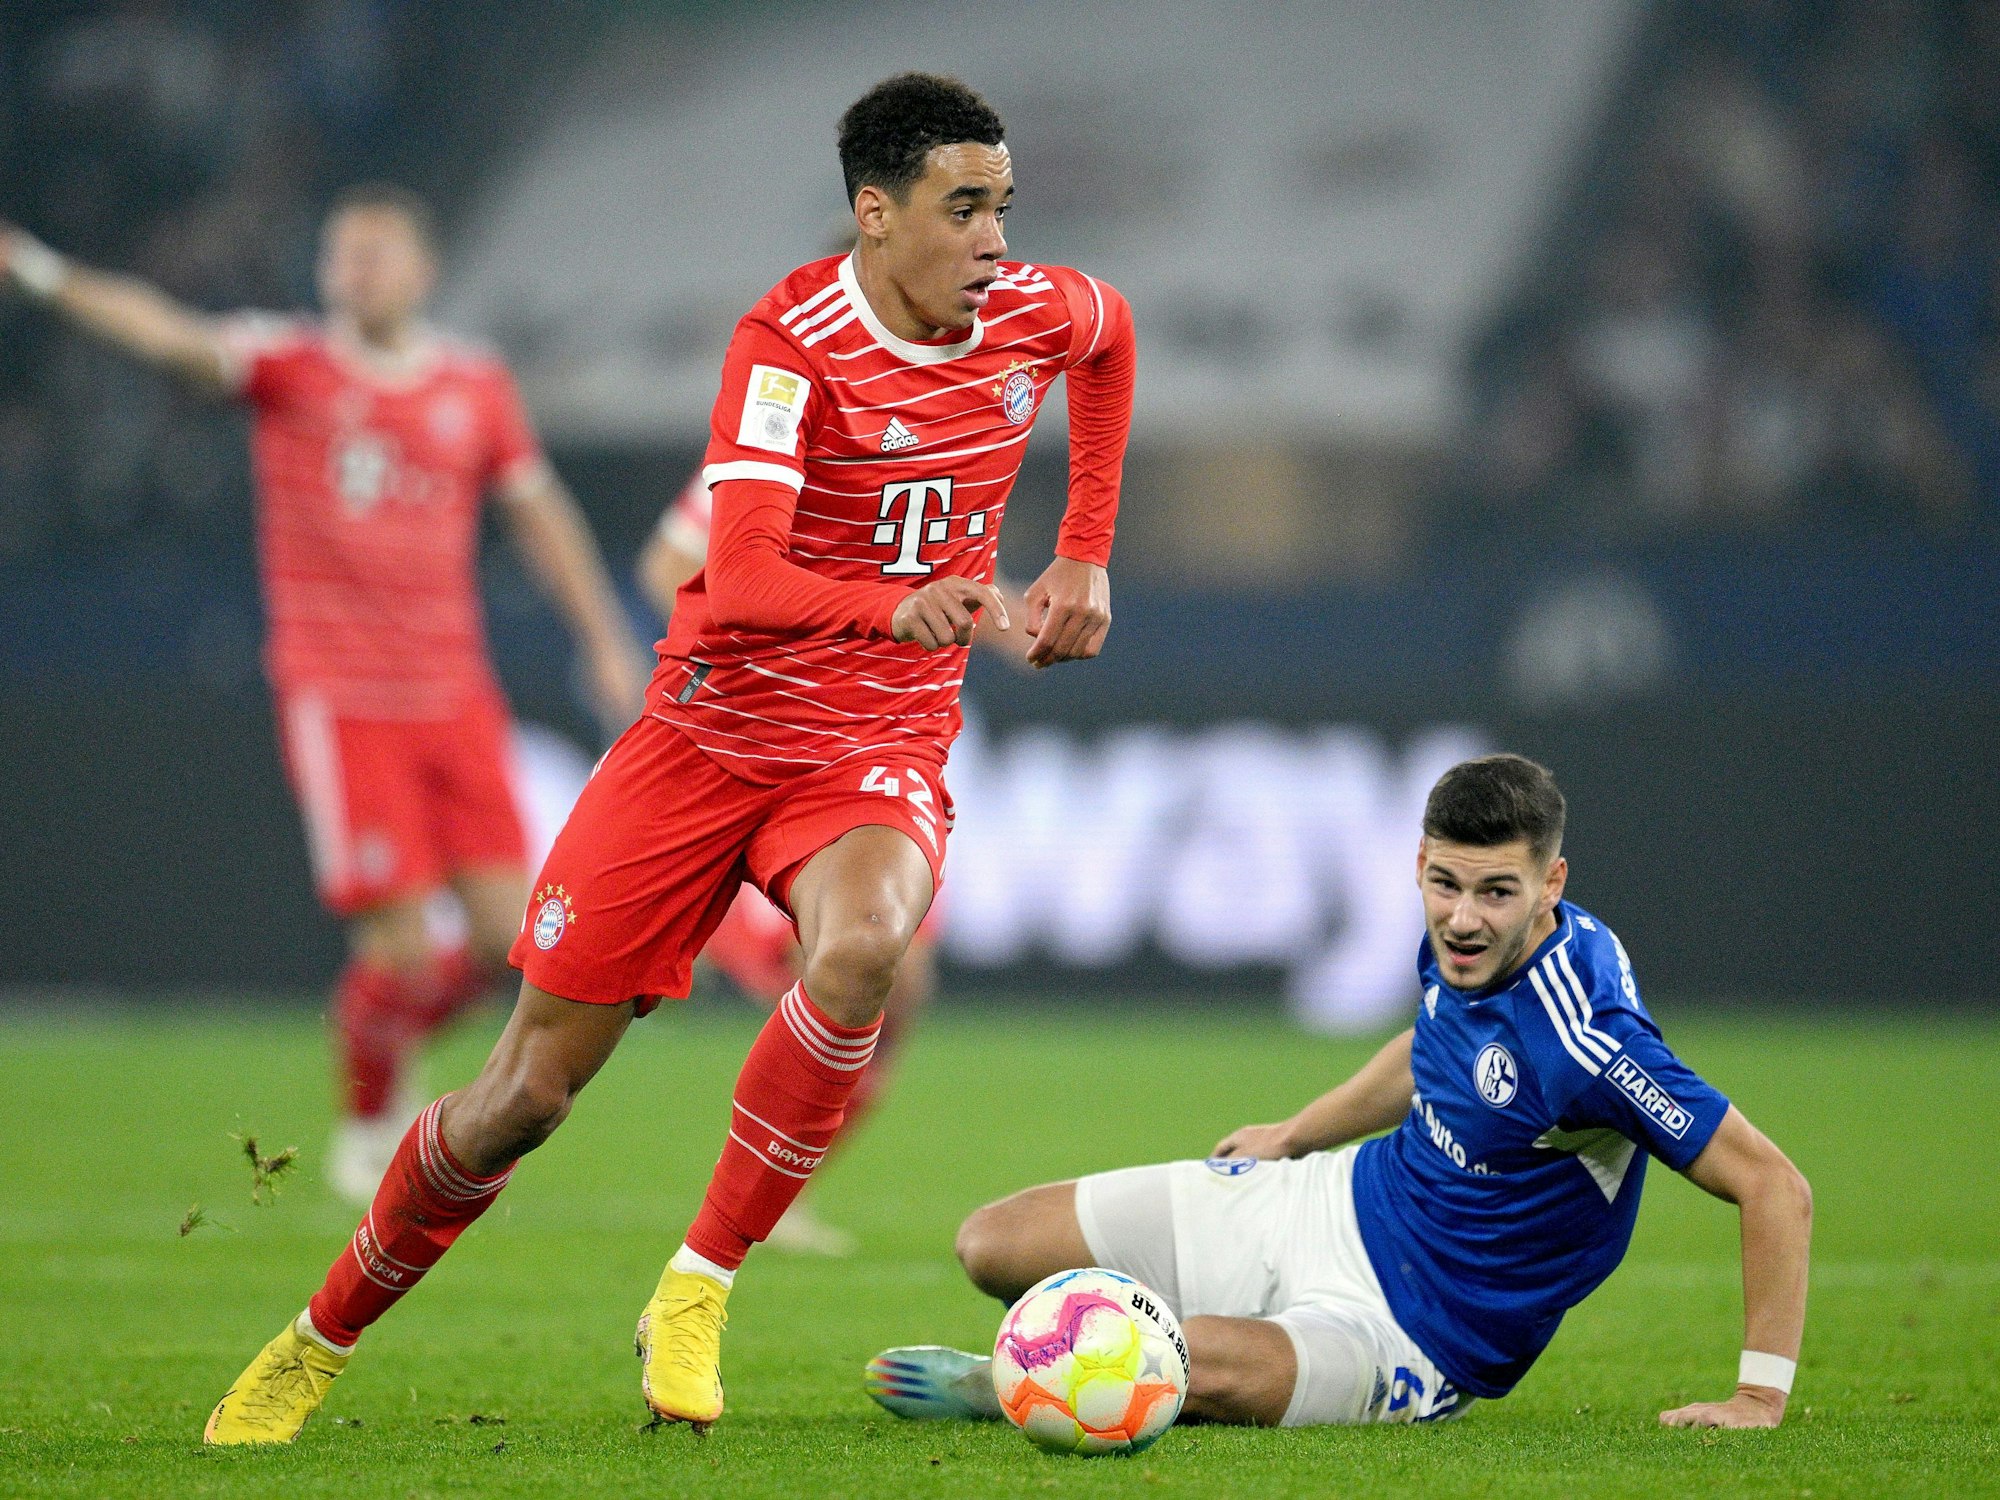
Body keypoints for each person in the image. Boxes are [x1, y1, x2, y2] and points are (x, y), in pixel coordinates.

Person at [202, 71, 1136, 1443]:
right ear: (874, 215)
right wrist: (892, 601)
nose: (998, 240)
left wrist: (1084, 551)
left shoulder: (1035, 310)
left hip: (872, 739)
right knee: (522, 1097)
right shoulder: (786, 346)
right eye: (965, 208)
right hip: (706, 736)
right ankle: (315, 1338)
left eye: (1004, 206)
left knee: (872, 945)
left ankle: (699, 1285)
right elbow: (740, 575)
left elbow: (1111, 343)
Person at [0, 188, 648, 1203]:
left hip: (453, 692)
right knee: (393, 942)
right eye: (342, 255)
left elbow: (540, 514)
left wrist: (605, 640)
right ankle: (369, 1112)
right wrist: (39, 270)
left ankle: (373, 1033)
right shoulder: (287, 365)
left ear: (424, 270)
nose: (356, 271)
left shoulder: (471, 385)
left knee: (508, 941)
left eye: (377, 253)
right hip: (344, 700)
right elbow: (168, 335)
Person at [867, 755, 1812, 1432]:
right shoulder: (1458, 942)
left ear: (1550, 884)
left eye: (1494, 892)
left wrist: (1758, 1396)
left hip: (1414, 1335)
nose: (1462, 916)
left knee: (1179, 1365)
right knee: (992, 1245)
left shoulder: (1588, 1043)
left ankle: (1015, 1383)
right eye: (1445, 883)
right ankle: (1100, 1353)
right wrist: (1294, 1135)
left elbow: (1775, 1186)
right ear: (1419, 863)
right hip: (1332, 1200)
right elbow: (1426, 1050)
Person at [638, 465, 1032, 1256]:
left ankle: (777, 1194)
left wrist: (1012, 619)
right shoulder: (766, 443)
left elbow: (937, 575)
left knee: (899, 986)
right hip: (773, 743)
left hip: (882, 747)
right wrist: (796, 622)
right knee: (818, 963)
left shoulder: (924, 436)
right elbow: (667, 565)